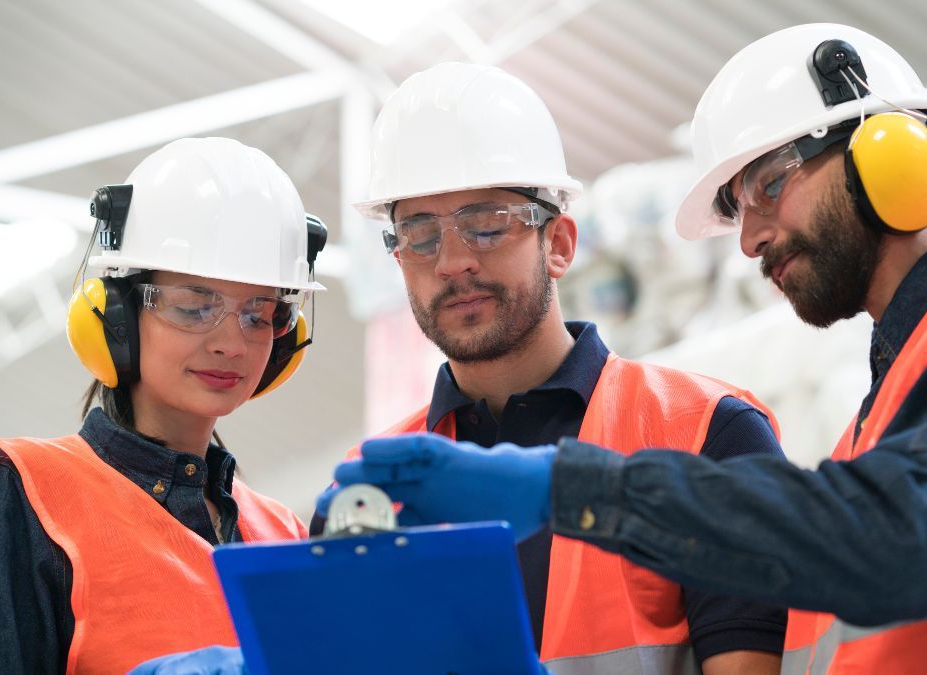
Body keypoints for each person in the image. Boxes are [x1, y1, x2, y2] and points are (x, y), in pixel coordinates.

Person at [330, 24, 927, 674]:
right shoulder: (877, 426)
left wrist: (560, 484)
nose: (748, 236)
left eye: (769, 184)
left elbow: (898, 537)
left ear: (890, 147)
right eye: (736, 205)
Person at [316, 61, 788, 674]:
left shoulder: (709, 435)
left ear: (559, 244)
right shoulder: (364, 496)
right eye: (420, 235)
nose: (453, 261)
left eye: (486, 226)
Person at [0, 137, 327, 673]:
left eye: (259, 315)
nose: (231, 344)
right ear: (117, 317)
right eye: (194, 307)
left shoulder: (285, 535)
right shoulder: (29, 489)